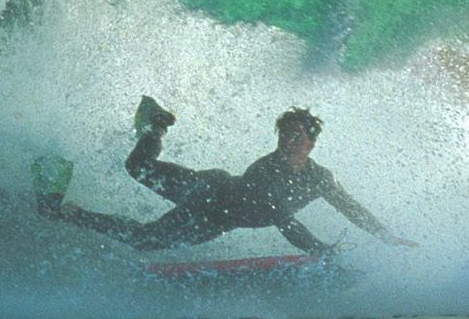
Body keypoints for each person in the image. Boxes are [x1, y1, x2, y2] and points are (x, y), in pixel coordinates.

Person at [34, 97, 417, 255]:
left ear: (311, 144)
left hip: (214, 208)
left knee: (143, 238)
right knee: (137, 181)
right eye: (283, 134)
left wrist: (388, 237)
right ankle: (154, 128)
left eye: (295, 136)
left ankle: (64, 208)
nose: (286, 141)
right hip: (206, 197)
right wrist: (319, 251)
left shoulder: (320, 178)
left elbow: (351, 208)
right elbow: (283, 219)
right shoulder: (267, 169)